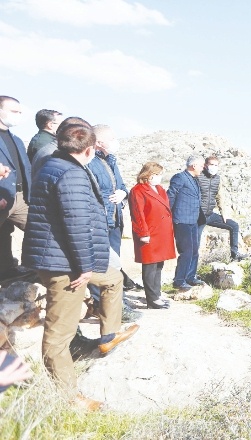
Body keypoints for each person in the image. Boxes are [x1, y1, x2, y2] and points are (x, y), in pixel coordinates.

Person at [21, 123, 139, 410]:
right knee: (58, 335)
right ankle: (68, 397)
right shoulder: (70, 173)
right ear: (89, 149)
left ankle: (108, 335)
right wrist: (84, 268)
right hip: (65, 264)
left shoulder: (55, 164)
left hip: (68, 257)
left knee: (112, 279)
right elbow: (76, 225)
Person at [86, 124, 143, 298]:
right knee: (100, 264)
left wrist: (122, 193)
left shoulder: (111, 160)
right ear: (100, 142)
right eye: (112, 139)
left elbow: (122, 185)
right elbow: (93, 192)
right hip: (100, 220)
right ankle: (99, 302)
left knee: (114, 262)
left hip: (115, 220)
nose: (115, 141)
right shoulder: (90, 162)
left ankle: (114, 301)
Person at [129, 162, 174, 309]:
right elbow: (138, 214)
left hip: (161, 232)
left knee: (159, 264)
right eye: (157, 175)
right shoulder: (138, 191)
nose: (159, 178)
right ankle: (152, 299)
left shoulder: (160, 189)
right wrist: (143, 233)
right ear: (148, 175)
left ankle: (157, 294)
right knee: (150, 265)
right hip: (149, 232)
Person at [0, 96, 32, 281]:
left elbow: (25, 168)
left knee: (38, 229)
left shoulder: (17, 139)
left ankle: (28, 268)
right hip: (2, 195)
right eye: (14, 111)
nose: (18, 115)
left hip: (20, 197)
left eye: (20, 112)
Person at [167, 155, 206, 292]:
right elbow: (170, 197)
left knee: (194, 251)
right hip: (181, 220)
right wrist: (167, 218)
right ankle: (179, 281)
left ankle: (190, 277)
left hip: (193, 220)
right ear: (194, 166)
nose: (203, 168)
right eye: (201, 165)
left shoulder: (195, 180)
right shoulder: (179, 178)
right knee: (186, 251)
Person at [197, 156, 247, 261]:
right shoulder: (199, 177)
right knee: (195, 243)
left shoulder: (217, 179)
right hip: (198, 216)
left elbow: (219, 196)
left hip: (210, 214)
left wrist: (223, 213)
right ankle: (189, 272)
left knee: (233, 226)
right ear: (206, 165)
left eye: (216, 165)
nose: (213, 167)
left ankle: (234, 254)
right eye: (211, 164)